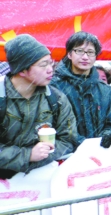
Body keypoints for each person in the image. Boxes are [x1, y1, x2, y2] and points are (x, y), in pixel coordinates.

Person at [0, 34, 78, 179]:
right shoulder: (2, 98)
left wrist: (38, 160)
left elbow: (68, 140)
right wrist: (27, 155)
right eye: (43, 65)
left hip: (41, 182)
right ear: (22, 70)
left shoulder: (56, 99)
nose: (50, 70)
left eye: (51, 63)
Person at [51, 31, 111, 146]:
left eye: (90, 52)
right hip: (67, 154)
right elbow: (53, 125)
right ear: (69, 54)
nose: (85, 57)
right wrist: (83, 144)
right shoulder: (54, 86)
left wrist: (109, 134)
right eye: (79, 51)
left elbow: (110, 123)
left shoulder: (105, 90)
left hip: (99, 153)